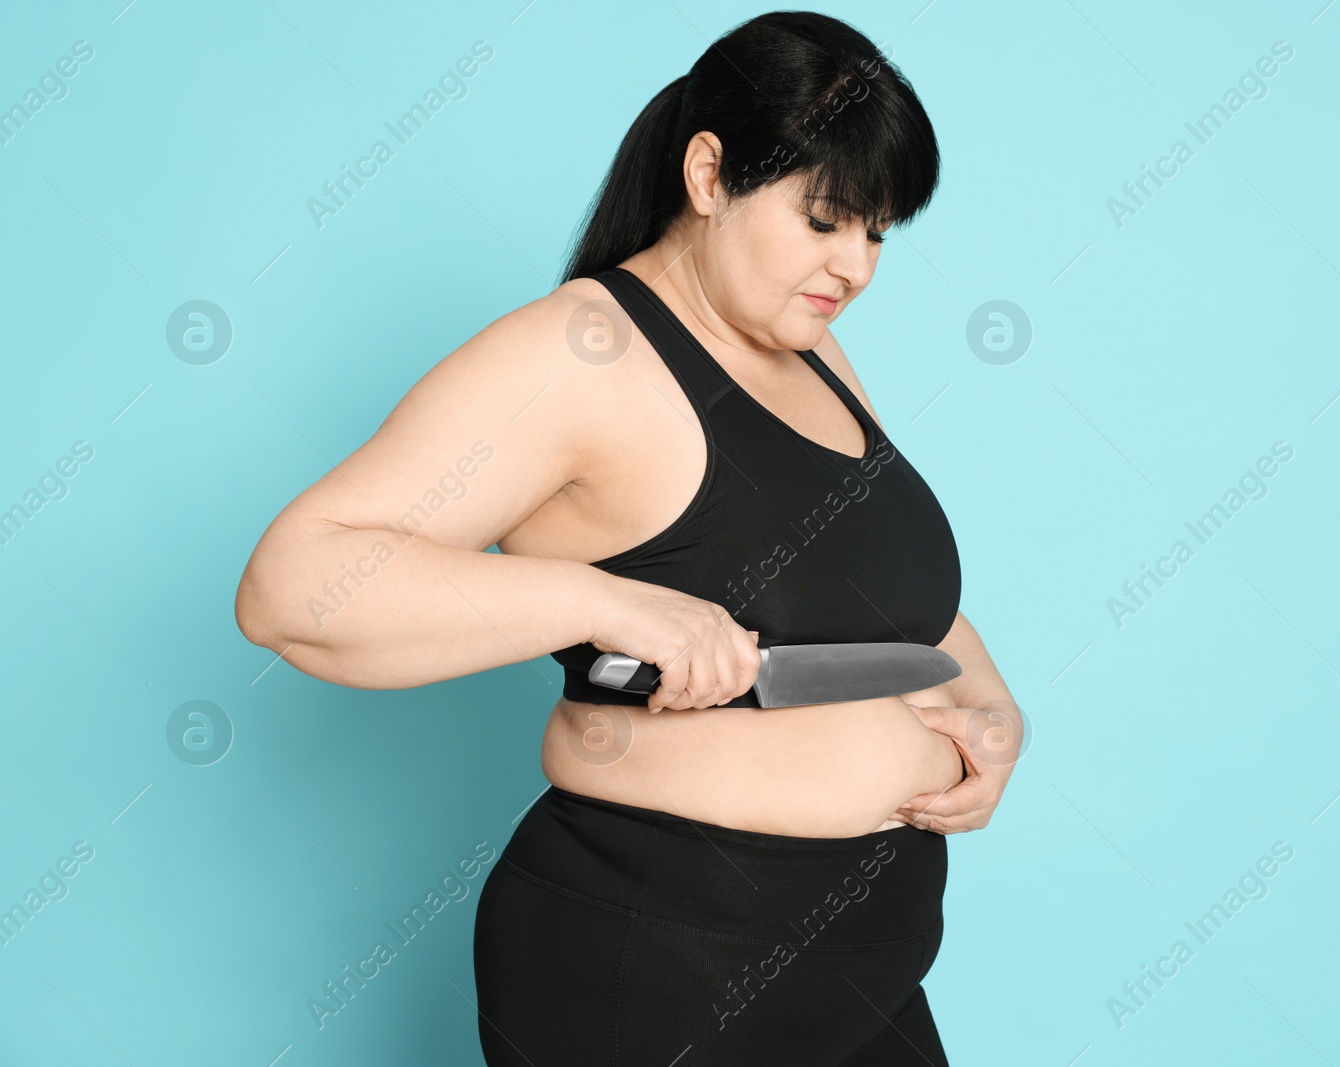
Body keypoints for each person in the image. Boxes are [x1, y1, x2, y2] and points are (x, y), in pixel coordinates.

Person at [234, 10, 1022, 1065]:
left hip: (864, 970)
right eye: (826, 218)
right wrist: (603, 600)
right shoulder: (581, 352)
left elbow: (869, 589)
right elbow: (294, 586)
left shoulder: (815, 351)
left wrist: (986, 703)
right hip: (659, 967)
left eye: (877, 230)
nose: (858, 265)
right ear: (709, 175)